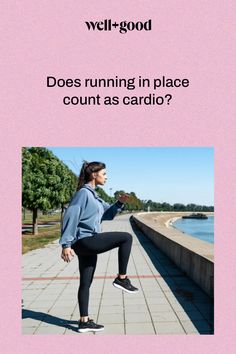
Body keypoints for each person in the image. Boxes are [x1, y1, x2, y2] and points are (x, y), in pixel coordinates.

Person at [59, 161, 138, 333]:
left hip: (86, 243)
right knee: (126, 238)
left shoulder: (94, 196)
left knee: (85, 283)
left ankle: (84, 321)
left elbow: (107, 215)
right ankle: (122, 278)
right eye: (104, 173)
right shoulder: (83, 194)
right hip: (85, 240)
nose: (107, 177)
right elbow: (71, 216)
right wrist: (66, 244)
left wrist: (119, 203)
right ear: (94, 175)